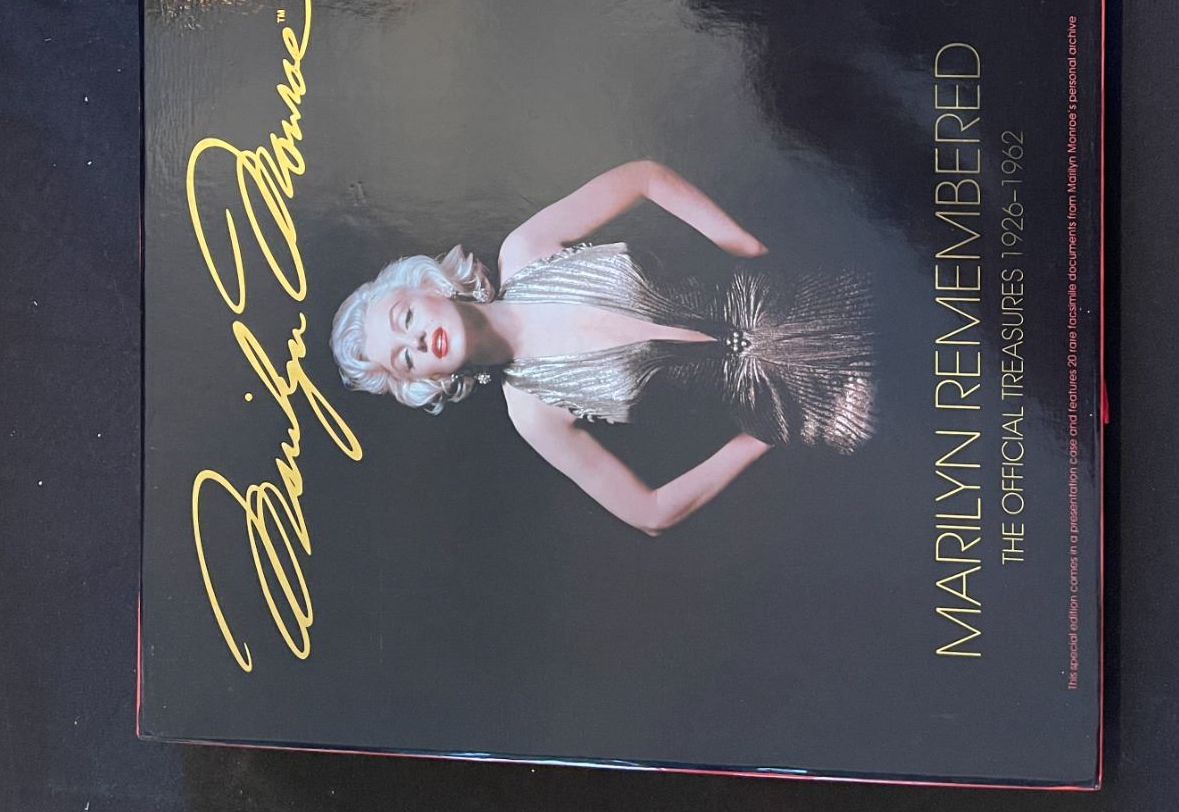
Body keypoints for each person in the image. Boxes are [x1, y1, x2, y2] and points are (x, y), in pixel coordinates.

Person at [330, 160, 875, 534]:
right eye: (405, 358)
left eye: (405, 318)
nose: (417, 340)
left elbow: (644, 177)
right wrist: (763, 436)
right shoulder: (531, 413)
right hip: (823, 410)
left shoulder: (526, 248)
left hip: (803, 285)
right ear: (423, 381)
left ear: (428, 287)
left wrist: (746, 247)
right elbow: (650, 513)